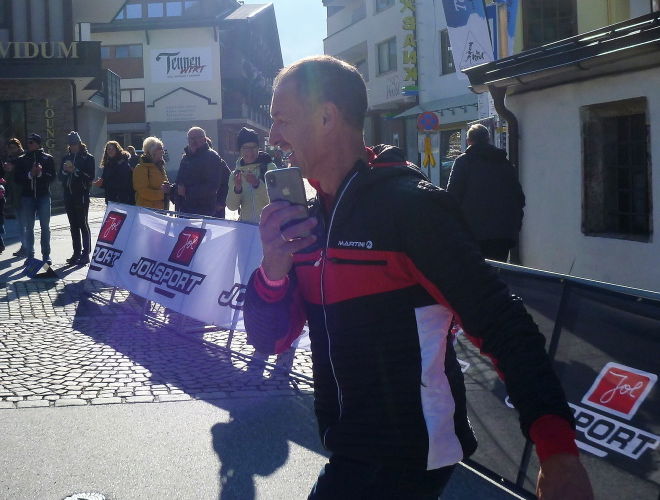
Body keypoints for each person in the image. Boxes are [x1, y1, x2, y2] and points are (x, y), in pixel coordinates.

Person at [243, 56, 593, 500]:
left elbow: (501, 322)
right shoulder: (310, 222)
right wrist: (273, 269)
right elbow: (269, 340)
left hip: (407, 455)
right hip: (351, 446)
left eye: (282, 120)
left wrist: (558, 454)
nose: (272, 136)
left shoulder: (411, 208)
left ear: (327, 117)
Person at [446, 123, 526, 262]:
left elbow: (452, 197)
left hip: (473, 231)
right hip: (503, 232)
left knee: (476, 270)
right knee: (499, 269)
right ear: (488, 139)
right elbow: (519, 197)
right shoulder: (504, 162)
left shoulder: (464, 162)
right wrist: (514, 225)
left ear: (469, 141)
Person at [14, 133, 56, 266]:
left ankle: (46, 255)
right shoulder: (22, 159)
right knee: (29, 227)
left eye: (31, 142)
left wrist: (41, 173)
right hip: (28, 197)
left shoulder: (47, 158)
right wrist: (30, 174)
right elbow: (17, 178)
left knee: (45, 227)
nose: (28, 144)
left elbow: (52, 177)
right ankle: (30, 255)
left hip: (43, 196)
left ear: (38, 143)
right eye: (27, 142)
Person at [59, 131, 95, 266]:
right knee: (73, 225)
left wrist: (76, 171)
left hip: (81, 194)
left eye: (75, 144)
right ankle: (76, 253)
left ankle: (86, 253)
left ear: (80, 144)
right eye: (71, 144)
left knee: (82, 223)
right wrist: (65, 171)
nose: (73, 147)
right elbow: (60, 177)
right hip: (68, 194)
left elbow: (90, 177)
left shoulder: (87, 158)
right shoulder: (66, 158)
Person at [174, 127, 228, 216]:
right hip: (184, 210)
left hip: (204, 211)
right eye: (190, 138)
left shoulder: (212, 157)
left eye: (196, 138)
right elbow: (179, 182)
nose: (193, 141)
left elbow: (213, 186)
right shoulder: (185, 158)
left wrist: (187, 192)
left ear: (204, 139)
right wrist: (171, 189)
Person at [226, 127, 276, 224]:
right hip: (246, 228)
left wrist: (257, 184)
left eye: (254, 147)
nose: (250, 152)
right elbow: (232, 207)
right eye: (245, 148)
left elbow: (277, 200)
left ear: (258, 148)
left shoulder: (269, 168)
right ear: (240, 150)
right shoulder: (235, 174)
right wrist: (237, 189)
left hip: (270, 227)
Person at [3, 138, 27, 257]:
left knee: (24, 223)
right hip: (14, 194)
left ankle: (26, 247)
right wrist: (8, 170)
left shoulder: (24, 158)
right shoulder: (9, 159)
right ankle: (24, 246)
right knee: (20, 223)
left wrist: (14, 169)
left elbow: (25, 175)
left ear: (19, 147)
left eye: (14, 147)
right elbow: (6, 179)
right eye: (10, 148)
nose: (12, 150)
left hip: (23, 193)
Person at [132, 136, 171, 209]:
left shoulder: (160, 167)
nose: (163, 151)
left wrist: (169, 189)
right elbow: (143, 191)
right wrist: (162, 194)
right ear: (152, 151)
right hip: (146, 210)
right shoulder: (141, 168)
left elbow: (165, 184)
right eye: (160, 149)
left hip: (160, 209)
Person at [95, 141, 135, 205]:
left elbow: (123, 183)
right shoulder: (108, 163)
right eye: (109, 149)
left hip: (120, 199)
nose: (111, 151)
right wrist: (102, 183)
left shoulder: (122, 163)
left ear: (117, 150)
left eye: (113, 149)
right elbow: (106, 180)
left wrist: (105, 183)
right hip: (111, 198)